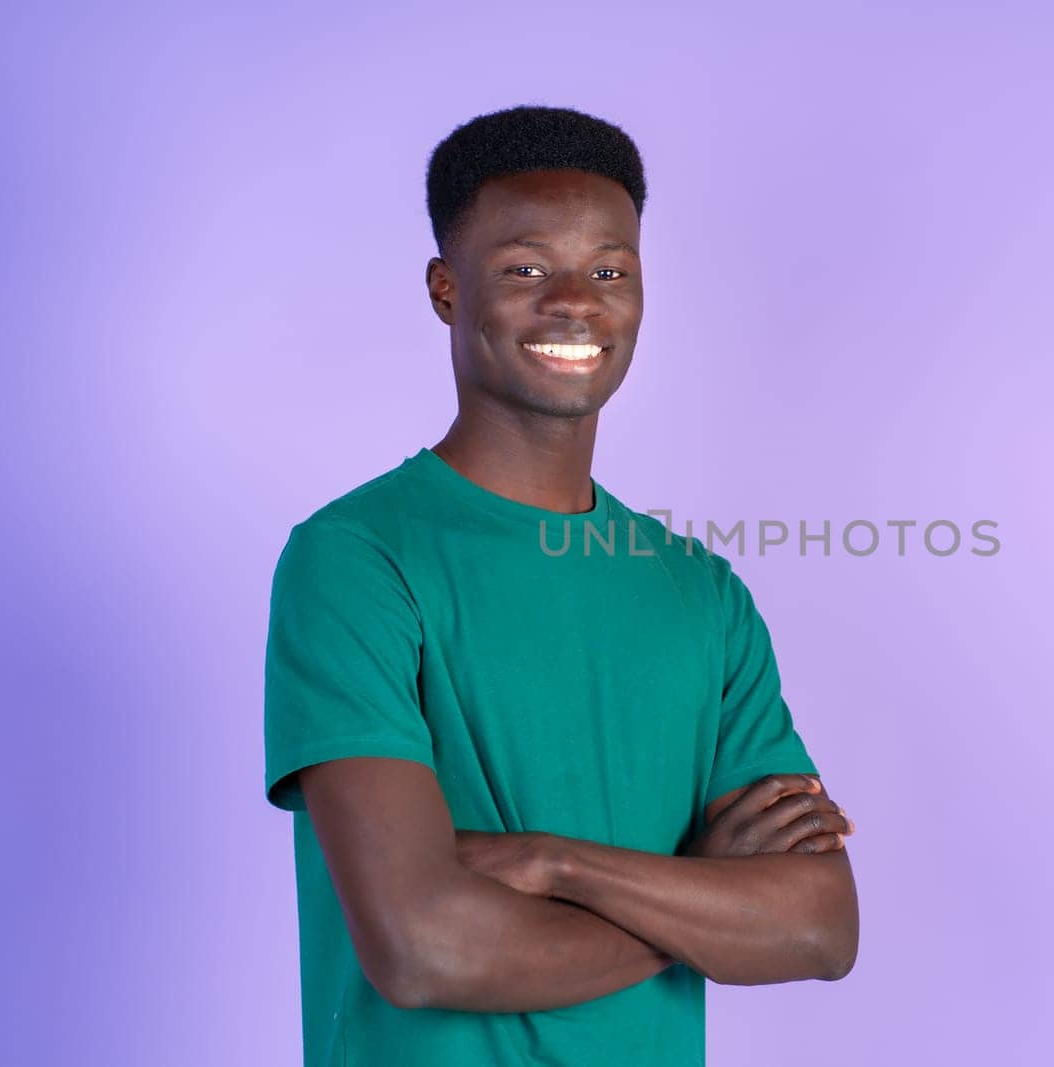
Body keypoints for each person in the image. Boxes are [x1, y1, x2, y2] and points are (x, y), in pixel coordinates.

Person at [262, 104, 859, 1066]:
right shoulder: (356, 559)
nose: (576, 301)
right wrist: (699, 895)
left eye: (611, 270)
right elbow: (424, 947)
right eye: (527, 268)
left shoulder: (700, 592)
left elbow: (821, 928)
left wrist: (557, 862)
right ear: (446, 289)